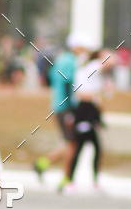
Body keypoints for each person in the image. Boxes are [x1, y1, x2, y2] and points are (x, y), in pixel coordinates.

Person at [33, 35, 87, 184]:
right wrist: (71, 109)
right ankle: (66, 178)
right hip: (65, 108)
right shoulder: (70, 61)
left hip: (58, 105)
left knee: (70, 142)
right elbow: (67, 83)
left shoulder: (61, 59)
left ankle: (42, 164)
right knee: (72, 144)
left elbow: (51, 79)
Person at [60, 50, 107, 191]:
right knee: (79, 148)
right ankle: (70, 180)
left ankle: (92, 180)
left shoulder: (89, 74)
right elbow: (82, 95)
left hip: (89, 116)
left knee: (95, 149)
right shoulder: (90, 69)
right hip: (82, 116)